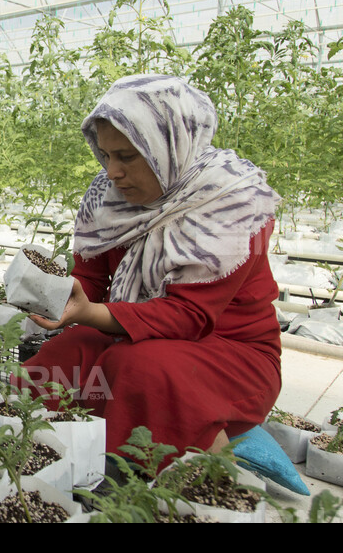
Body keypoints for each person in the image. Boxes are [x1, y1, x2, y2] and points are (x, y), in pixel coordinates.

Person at [15, 74, 282, 459]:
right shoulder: (109, 198)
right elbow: (91, 276)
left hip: (229, 353)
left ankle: (131, 479)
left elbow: (188, 315)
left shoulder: (231, 204)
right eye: (105, 155)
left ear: (169, 146)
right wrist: (55, 297)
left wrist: (91, 312)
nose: (112, 172)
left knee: (138, 367)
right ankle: (23, 446)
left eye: (126, 156)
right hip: (133, 332)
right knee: (67, 353)